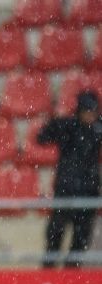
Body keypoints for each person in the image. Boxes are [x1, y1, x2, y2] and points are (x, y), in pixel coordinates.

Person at [37, 90, 102, 268]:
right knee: (54, 238)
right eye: (87, 111)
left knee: (79, 243)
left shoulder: (97, 128)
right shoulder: (67, 125)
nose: (91, 115)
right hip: (65, 190)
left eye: (94, 111)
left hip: (87, 192)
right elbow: (41, 137)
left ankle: (70, 282)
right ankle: (48, 279)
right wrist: (54, 123)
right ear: (79, 110)